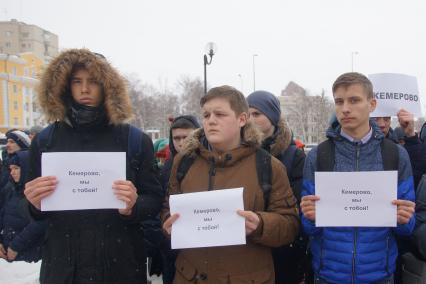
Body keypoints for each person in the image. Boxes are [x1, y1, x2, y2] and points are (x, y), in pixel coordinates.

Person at [23, 49, 163, 284]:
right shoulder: (46, 141)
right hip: (63, 269)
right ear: (65, 86)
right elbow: (27, 204)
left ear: (107, 86)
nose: (84, 89)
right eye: (77, 81)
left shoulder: (134, 140)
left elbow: (155, 199)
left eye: (93, 82)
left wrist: (134, 206)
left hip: (120, 268)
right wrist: (34, 204)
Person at [161, 85, 299, 283]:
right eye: (206, 115)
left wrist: (260, 224)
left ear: (242, 119)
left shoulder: (268, 165)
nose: (211, 121)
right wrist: (169, 224)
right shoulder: (184, 162)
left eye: (220, 114)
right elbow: (167, 209)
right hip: (190, 276)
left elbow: (290, 225)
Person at [300, 72, 416, 283]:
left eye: (354, 100)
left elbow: (407, 227)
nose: (345, 108)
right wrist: (309, 216)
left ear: (372, 104)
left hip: (379, 276)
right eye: (339, 101)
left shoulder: (395, 155)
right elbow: (307, 227)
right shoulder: (318, 155)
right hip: (328, 276)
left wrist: (405, 218)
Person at [247, 90, 307, 284]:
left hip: (282, 249)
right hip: (248, 245)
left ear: (272, 117)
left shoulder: (294, 156)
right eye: (247, 114)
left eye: (257, 114)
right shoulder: (240, 153)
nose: (251, 119)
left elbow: (296, 204)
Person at [0, 150, 45, 263]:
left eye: (16, 168)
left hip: (29, 256)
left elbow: (40, 222)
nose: (12, 172)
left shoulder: (39, 192)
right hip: (6, 253)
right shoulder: (10, 190)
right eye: (11, 169)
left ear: (27, 168)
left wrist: (16, 246)